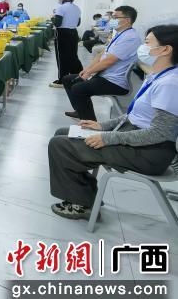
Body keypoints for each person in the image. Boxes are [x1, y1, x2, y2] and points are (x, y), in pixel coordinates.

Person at [47, 24, 178, 221]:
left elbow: (160, 133)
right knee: (63, 133)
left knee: (60, 145)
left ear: (166, 49)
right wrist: (102, 126)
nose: (142, 48)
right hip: (138, 139)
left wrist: (108, 138)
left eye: (148, 43)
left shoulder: (170, 84)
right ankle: (85, 197)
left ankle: (81, 206)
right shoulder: (158, 76)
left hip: (150, 152)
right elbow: (134, 115)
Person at [62, 6, 142, 121]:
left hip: (114, 82)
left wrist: (89, 72)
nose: (112, 20)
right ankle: (80, 111)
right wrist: (88, 70)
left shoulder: (131, 37)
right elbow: (102, 54)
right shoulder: (119, 34)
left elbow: (109, 61)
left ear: (127, 20)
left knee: (78, 89)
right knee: (68, 80)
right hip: (104, 75)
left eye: (115, 17)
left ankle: (90, 124)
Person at [50, 0, 82, 88]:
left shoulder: (61, 8)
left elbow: (57, 23)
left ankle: (62, 80)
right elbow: (78, 23)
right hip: (73, 33)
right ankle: (78, 77)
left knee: (62, 57)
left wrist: (52, 18)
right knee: (72, 56)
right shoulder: (77, 8)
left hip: (62, 33)